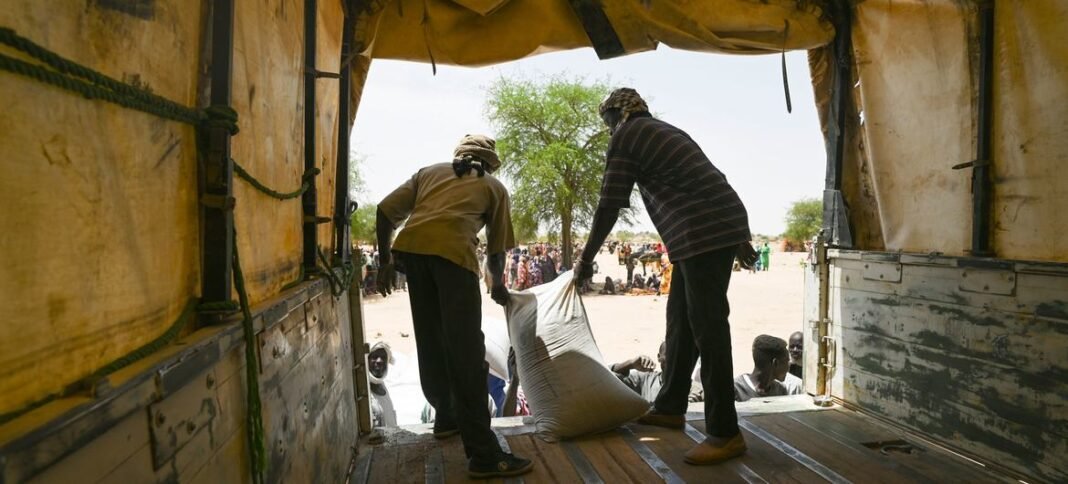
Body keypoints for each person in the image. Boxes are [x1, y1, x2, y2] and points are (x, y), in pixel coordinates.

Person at [575, 88, 758, 465]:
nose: (607, 129)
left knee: (708, 328)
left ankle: (725, 432)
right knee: (680, 321)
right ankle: (672, 405)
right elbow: (714, 177)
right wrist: (740, 234)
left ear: (616, 114)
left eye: (606, 121)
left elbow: (610, 203)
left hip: (702, 231)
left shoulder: (627, 135)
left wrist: (586, 259)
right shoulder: (666, 130)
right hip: (712, 227)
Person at [375, 134, 532, 478]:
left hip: (412, 255)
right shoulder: (493, 187)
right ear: (490, 163)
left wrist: (385, 259)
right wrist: (499, 285)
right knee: (467, 354)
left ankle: (446, 417)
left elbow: (385, 211)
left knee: (431, 342)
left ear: (458, 156)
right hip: (453, 260)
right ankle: (484, 456)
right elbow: (496, 250)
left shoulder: (428, 173)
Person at [611, 342, 703, 403]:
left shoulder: (695, 390)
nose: (674, 360)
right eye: (669, 355)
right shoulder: (644, 379)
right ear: (659, 357)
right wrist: (630, 364)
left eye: (679, 356)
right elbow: (606, 377)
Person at [734, 335, 802, 401]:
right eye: (786, 361)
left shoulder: (780, 390)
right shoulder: (737, 390)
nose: (788, 367)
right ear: (775, 363)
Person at [368, 342, 397, 428]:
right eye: (375, 357)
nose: (379, 361)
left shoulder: (382, 385)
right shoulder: (364, 391)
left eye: (383, 358)